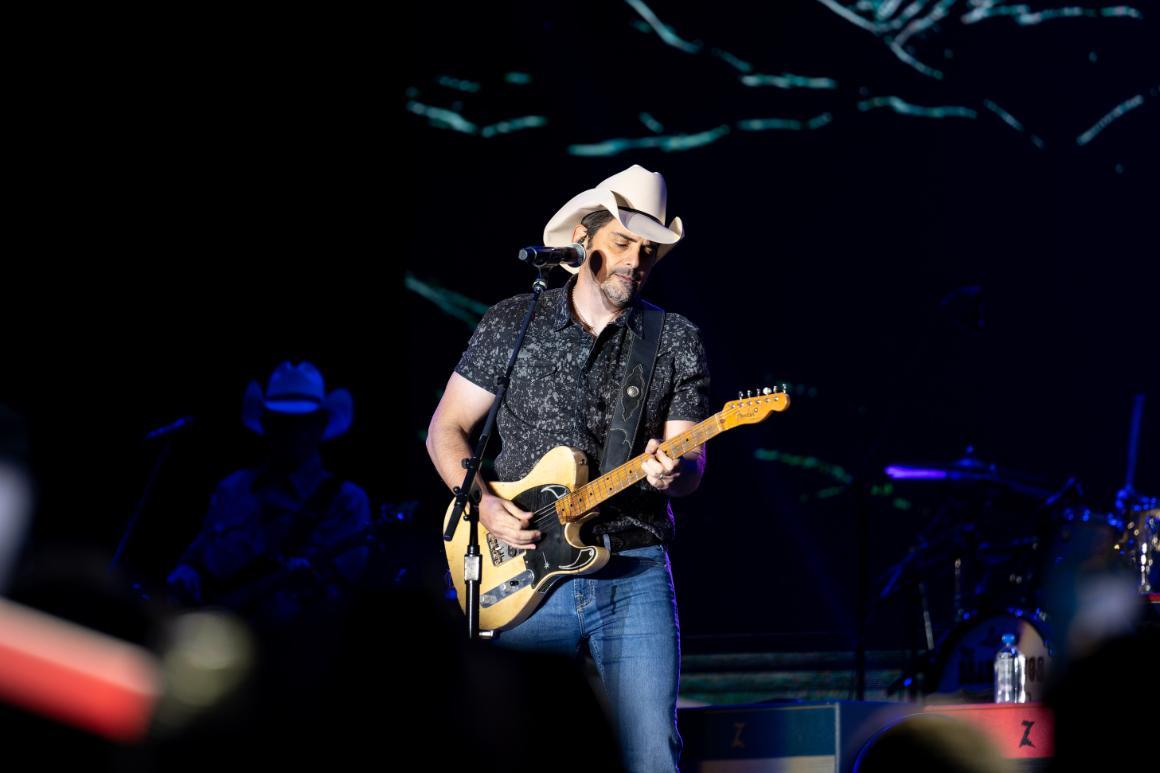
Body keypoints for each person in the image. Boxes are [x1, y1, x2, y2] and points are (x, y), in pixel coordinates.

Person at [426, 164, 710, 771]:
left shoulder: (675, 339)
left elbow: (689, 465)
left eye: (650, 250)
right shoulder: (512, 321)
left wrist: (671, 474)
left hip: (633, 566)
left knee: (652, 752)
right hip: (519, 571)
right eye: (623, 243)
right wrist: (482, 504)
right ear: (584, 240)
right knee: (515, 745)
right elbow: (445, 430)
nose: (637, 260)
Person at [168, 361, 371, 624]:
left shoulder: (346, 501)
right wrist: (187, 572)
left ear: (320, 425)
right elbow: (196, 559)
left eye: (300, 421)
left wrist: (311, 587)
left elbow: (347, 596)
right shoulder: (232, 488)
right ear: (265, 422)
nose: (290, 431)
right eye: (281, 420)